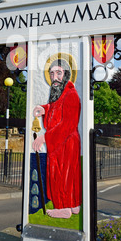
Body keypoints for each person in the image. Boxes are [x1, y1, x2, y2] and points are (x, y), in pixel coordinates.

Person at [32, 59, 81, 219]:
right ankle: (73, 204)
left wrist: (44, 137)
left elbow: (68, 123)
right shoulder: (60, 92)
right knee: (68, 174)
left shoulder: (71, 94)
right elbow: (55, 107)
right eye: (52, 73)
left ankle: (63, 208)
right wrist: (44, 109)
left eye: (58, 73)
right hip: (62, 142)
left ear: (66, 74)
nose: (54, 77)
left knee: (62, 174)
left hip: (66, 142)